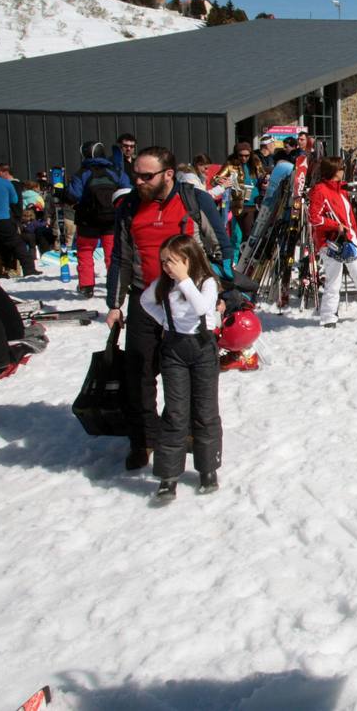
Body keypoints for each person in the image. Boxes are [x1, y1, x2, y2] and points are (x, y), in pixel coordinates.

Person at [106, 146, 232, 471]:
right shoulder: (130, 206)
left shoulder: (194, 201)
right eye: (136, 174)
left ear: (168, 174)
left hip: (187, 300)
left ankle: (187, 432)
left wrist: (223, 293)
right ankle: (144, 438)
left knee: (188, 371)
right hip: (145, 299)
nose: (139, 181)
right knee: (140, 373)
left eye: (147, 176)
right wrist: (114, 304)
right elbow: (120, 257)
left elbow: (221, 248)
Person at [140, 234, 223, 502]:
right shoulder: (163, 285)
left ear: (188, 260)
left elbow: (202, 307)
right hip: (174, 350)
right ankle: (168, 476)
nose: (167, 267)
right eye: (163, 262)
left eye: (172, 262)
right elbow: (144, 301)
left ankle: (208, 469)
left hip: (202, 348)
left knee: (205, 410)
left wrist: (185, 280)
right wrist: (165, 321)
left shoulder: (206, 283)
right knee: (175, 411)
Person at [307, 156, 357, 327]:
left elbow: (351, 217)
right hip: (331, 241)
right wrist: (335, 225)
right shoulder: (320, 190)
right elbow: (314, 218)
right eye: (341, 168)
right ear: (334, 170)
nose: (343, 170)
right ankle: (328, 316)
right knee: (334, 279)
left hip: (349, 238)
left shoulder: (342, 190)